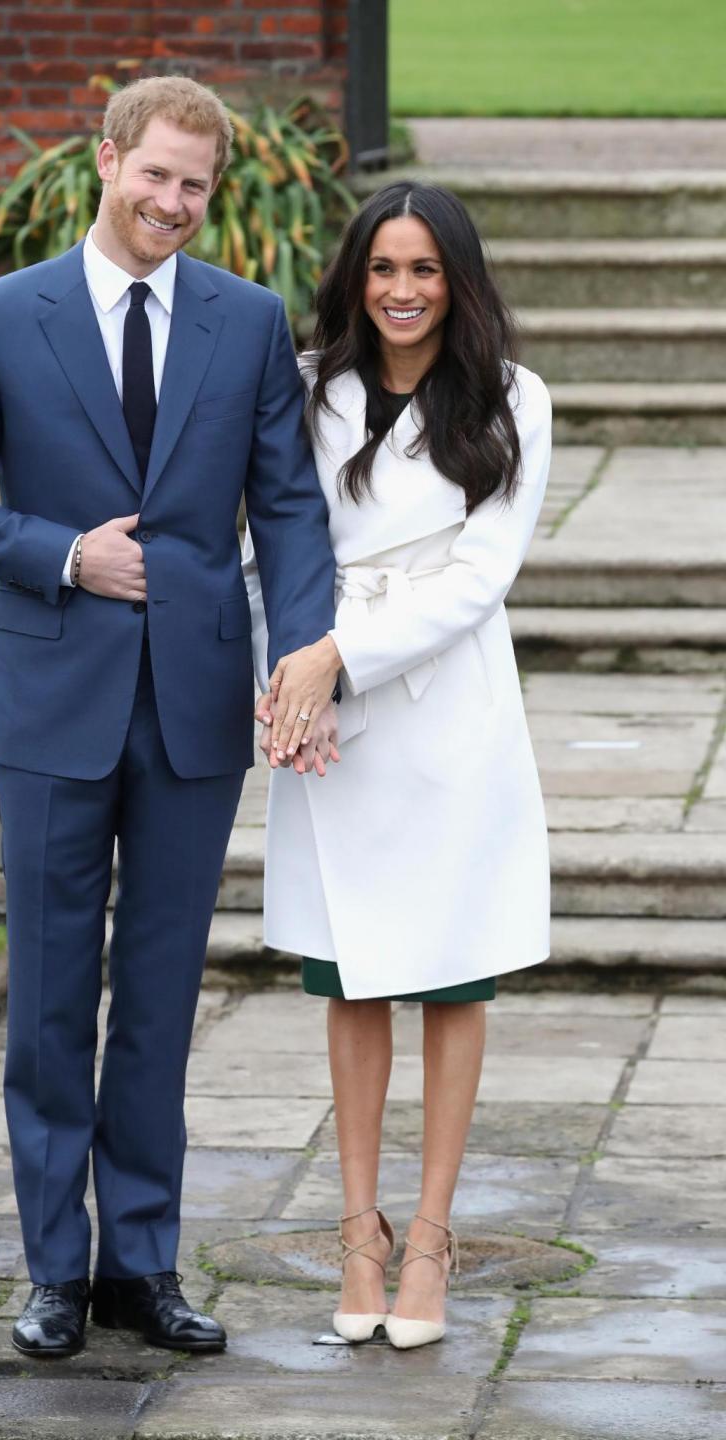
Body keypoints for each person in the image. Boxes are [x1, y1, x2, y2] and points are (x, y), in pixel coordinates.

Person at [0, 75, 338, 1359]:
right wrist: (58, 553)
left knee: (156, 997)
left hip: (197, 707)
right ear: (106, 161)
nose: (175, 204)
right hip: (51, 696)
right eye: (156, 176)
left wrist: (306, 649)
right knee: (46, 998)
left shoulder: (248, 322)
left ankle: (141, 1266)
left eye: (196, 186)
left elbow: (292, 507)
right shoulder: (1, 317)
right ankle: (52, 1270)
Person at [244, 180, 552, 1349]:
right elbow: (274, 537)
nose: (403, 290)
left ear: (458, 278)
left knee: (453, 968)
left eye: (425, 269)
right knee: (353, 970)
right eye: (383, 268)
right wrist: (292, 679)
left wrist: (335, 657)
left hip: (448, 709)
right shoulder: (309, 388)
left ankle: (430, 1239)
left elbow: (480, 579)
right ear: (355, 277)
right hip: (328, 712)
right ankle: (357, 1232)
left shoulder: (517, 400)